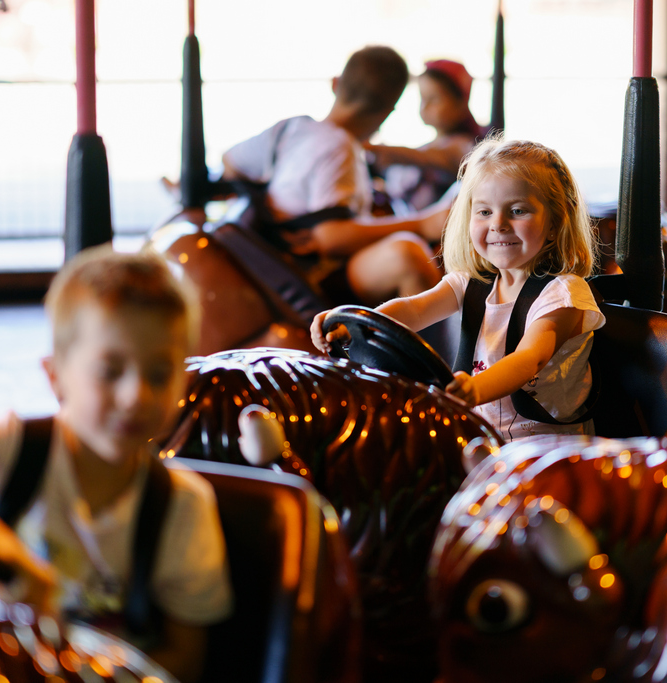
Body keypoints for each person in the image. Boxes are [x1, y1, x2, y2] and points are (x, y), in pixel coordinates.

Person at [0, 247, 232, 683]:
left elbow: (186, 659)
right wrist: (0, 545)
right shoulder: (16, 448)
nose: (136, 395)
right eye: (111, 371)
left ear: (183, 383)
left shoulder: (182, 506)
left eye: (158, 374)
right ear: (55, 374)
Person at [313, 137, 604, 442]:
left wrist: (475, 388)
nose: (499, 224)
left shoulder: (564, 294)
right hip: (481, 436)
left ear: (555, 223)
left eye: (517, 211)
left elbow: (530, 357)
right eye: (484, 212)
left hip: (546, 445)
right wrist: (357, 323)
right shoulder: (471, 282)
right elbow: (414, 309)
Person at [222, 45, 448, 307]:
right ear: (388, 111)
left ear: (335, 84)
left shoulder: (291, 128)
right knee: (407, 256)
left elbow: (230, 161)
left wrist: (269, 202)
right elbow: (330, 237)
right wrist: (423, 223)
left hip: (276, 259)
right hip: (311, 273)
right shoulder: (340, 146)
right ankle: (440, 348)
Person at [366, 59, 486, 213]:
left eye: (434, 99)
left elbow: (425, 156)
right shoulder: (431, 144)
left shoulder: (464, 146)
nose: (425, 106)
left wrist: (374, 148)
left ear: (460, 104)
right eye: (422, 99)